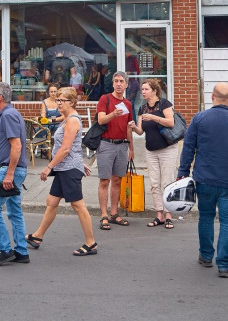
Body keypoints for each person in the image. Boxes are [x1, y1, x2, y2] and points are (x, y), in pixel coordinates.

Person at [25, 87, 97, 256]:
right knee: (51, 202)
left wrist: (49, 166)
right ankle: (37, 236)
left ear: (71, 102)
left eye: (61, 101)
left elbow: (65, 149)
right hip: (65, 167)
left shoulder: (72, 120)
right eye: (57, 100)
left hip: (68, 169)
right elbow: (73, 147)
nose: (58, 103)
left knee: (78, 205)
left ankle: (91, 242)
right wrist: (79, 162)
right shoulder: (66, 119)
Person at [177, 82, 228, 278]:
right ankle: (224, 265)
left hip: (204, 178)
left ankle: (206, 256)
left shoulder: (199, 118)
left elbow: (188, 148)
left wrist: (183, 172)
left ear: (212, 97)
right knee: (226, 222)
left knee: (206, 217)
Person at [0, 82, 28, 266]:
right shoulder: (9, 114)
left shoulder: (8, 115)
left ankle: (4, 249)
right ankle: (21, 251)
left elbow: (16, 146)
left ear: (0, 98)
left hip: (12, 169)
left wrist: (8, 174)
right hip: (12, 168)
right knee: (14, 211)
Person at [128, 79, 176, 229]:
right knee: (154, 183)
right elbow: (141, 131)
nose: (143, 92)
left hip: (167, 149)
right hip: (151, 150)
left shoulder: (164, 104)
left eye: (146, 89)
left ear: (154, 91)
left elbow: (171, 122)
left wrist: (154, 117)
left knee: (167, 182)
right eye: (142, 89)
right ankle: (159, 215)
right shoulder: (142, 108)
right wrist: (134, 126)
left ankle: (169, 215)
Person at [96, 71, 134, 230]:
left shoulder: (128, 104)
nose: (119, 84)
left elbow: (128, 127)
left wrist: (131, 148)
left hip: (122, 145)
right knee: (104, 180)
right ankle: (104, 215)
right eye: (116, 81)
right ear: (112, 84)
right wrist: (113, 114)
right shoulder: (105, 99)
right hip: (106, 144)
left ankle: (114, 213)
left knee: (117, 180)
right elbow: (100, 120)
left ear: (126, 85)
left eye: (121, 81)